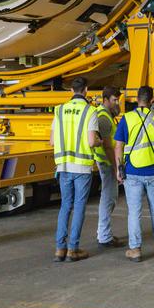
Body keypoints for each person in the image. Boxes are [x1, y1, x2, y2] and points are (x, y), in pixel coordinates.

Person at [113, 85, 154, 262]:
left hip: (132, 172)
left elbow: (119, 146)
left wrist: (118, 168)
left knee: (134, 212)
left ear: (137, 100)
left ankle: (135, 249)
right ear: (152, 101)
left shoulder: (127, 119)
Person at [51, 76, 100, 262]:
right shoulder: (90, 111)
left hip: (63, 166)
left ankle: (59, 249)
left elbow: (52, 140)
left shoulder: (59, 110)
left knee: (65, 206)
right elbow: (91, 141)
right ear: (86, 90)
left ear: (71, 91)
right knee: (79, 207)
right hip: (82, 167)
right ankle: (73, 249)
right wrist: (100, 141)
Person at [94, 86, 123, 249]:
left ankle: (104, 233)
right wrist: (116, 167)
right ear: (105, 100)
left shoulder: (106, 114)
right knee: (108, 199)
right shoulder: (103, 117)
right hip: (107, 163)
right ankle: (104, 236)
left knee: (110, 198)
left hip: (107, 162)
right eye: (114, 100)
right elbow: (108, 147)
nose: (116, 103)